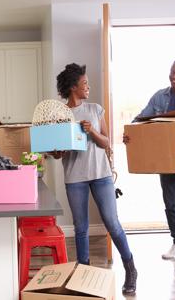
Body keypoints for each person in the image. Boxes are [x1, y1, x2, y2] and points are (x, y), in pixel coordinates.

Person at [51, 63, 137, 295]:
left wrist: (92, 132)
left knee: (112, 222)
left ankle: (130, 267)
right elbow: (57, 154)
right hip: (74, 178)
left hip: (101, 175)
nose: (88, 87)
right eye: (85, 83)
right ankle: (83, 274)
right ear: (72, 87)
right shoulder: (59, 115)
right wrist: (58, 150)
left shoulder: (95, 109)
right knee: (81, 228)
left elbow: (108, 142)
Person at [123, 57, 175, 278]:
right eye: (172, 72)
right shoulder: (160, 96)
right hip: (166, 159)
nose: (174, 76)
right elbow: (142, 118)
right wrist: (131, 132)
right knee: (170, 203)